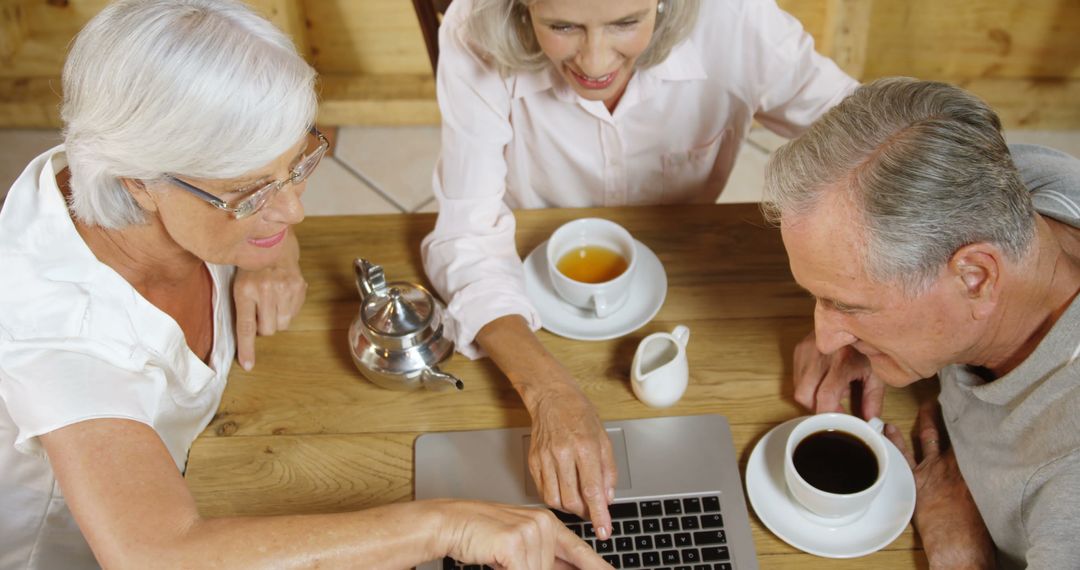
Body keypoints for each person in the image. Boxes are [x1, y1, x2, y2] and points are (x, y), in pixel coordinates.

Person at [0, 2, 609, 568]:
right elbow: (159, 555)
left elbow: (260, 213)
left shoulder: (158, 170)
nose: (293, 211)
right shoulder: (57, 330)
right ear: (137, 181)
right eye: (253, 192)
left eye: (297, 165)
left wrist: (265, 250)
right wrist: (446, 527)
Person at [421, 0, 858, 537]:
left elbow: (868, 146)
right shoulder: (475, 23)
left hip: (699, 283)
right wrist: (550, 393)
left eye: (626, 23)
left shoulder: (737, 17)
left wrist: (851, 314)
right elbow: (467, 232)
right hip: (528, 298)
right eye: (563, 26)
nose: (595, 60)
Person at [762, 77, 1080, 568]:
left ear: (975, 278)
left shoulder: (1068, 484)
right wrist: (865, 332)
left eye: (849, 306)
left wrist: (965, 557)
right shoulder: (1011, 177)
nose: (824, 339)